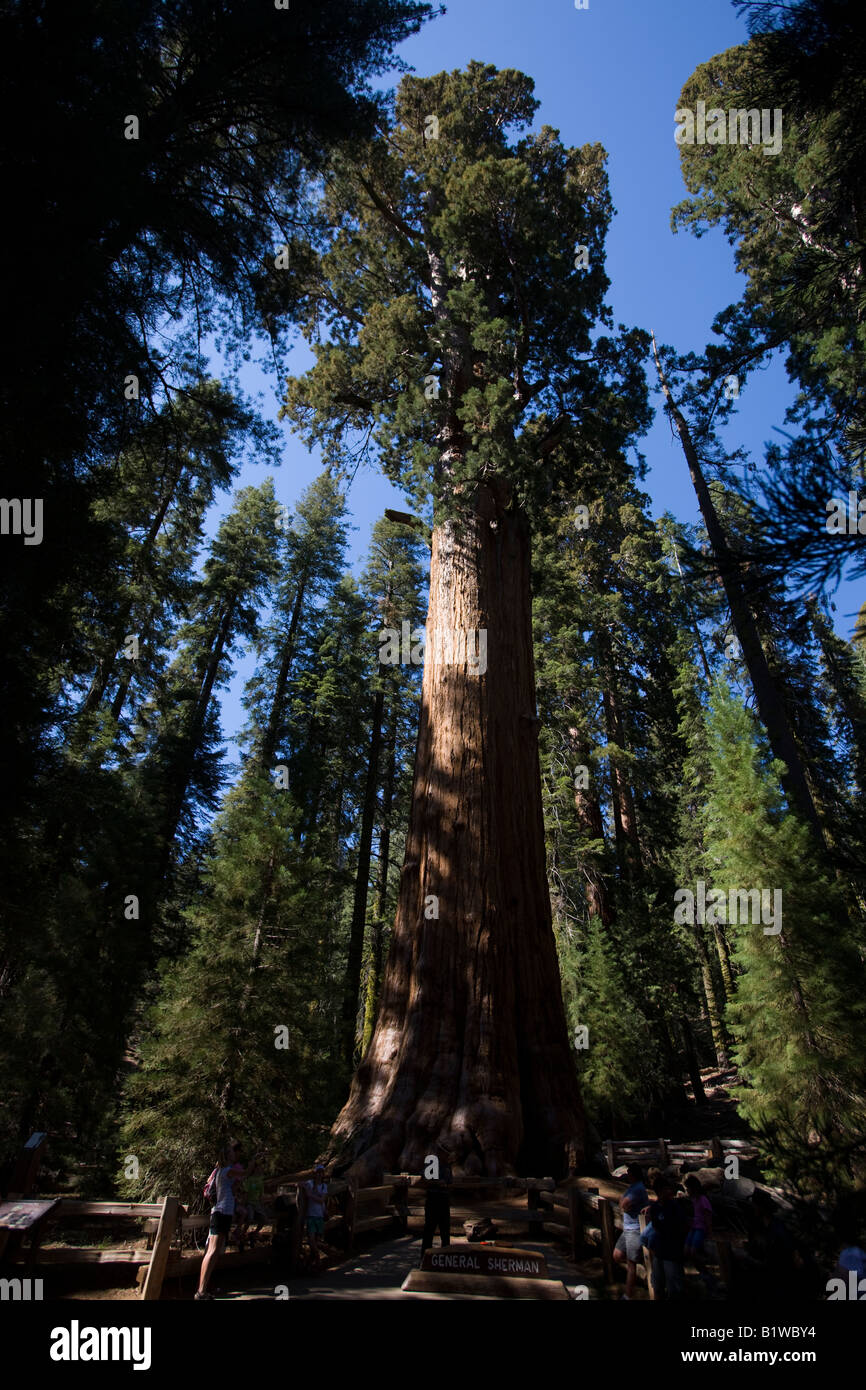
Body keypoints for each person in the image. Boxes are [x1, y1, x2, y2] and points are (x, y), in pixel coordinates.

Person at [196, 1142, 242, 1301]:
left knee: (215, 1251)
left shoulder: (223, 1172)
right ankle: (201, 1291)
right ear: (227, 1155)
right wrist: (254, 1163)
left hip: (222, 1213)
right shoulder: (226, 1170)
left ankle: (204, 1288)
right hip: (220, 1213)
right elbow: (246, 1174)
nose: (234, 1153)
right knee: (213, 1250)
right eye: (231, 1151)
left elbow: (233, 1188)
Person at [646, 1176, 690, 1300]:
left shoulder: (675, 1207)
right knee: (657, 1285)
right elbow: (656, 1227)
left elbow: (683, 1227)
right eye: (666, 1189)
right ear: (659, 1191)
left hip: (673, 1254)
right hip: (659, 1252)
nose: (669, 1191)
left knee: (674, 1289)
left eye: (669, 1189)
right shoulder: (655, 1208)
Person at [613, 1162, 649, 1300]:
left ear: (633, 1175)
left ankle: (628, 1296)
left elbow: (623, 1204)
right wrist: (623, 1203)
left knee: (630, 1264)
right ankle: (643, 1263)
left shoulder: (638, 1189)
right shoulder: (632, 1187)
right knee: (617, 1255)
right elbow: (622, 1202)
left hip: (635, 1229)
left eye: (628, 1174)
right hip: (627, 1228)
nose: (627, 1176)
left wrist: (623, 1203)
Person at [684, 1173, 719, 1294]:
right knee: (686, 1250)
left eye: (688, 1188)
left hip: (701, 1228)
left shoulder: (703, 1199)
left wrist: (709, 1231)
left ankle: (706, 1273)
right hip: (694, 1227)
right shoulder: (693, 1199)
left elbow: (707, 1215)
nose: (687, 1191)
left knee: (693, 1251)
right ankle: (702, 1271)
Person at [419, 1145, 453, 1266]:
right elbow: (424, 1181)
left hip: (444, 1200)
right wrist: (437, 1183)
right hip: (433, 1199)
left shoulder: (447, 1165)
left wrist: (446, 1186)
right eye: (445, 1153)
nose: (447, 1156)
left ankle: (447, 1259)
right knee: (429, 1229)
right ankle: (424, 1258)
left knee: (445, 1230)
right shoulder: (431, 1163)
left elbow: (450, 1182)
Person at [303, 1164, 329, 1266]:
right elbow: (301, 1184)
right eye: (318, 1172)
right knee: (311, 1239)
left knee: (316, 1240)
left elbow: (322, 1199)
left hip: (319, 1215)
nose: (319, 1174)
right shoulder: (310, 1183)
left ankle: (312, 1263)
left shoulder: (324, 1186)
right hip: (311, 1215)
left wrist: (310, 1195)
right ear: (315, 1174)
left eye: (321, 1173)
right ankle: (318, 1258)